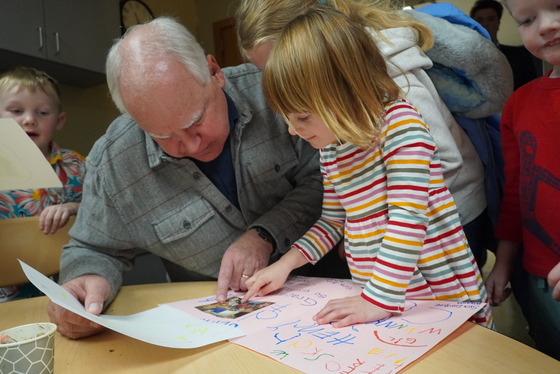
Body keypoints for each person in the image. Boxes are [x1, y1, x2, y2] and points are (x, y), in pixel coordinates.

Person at [46, 17, 323, 339]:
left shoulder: (274, 93)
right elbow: (93, 249)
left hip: (333, 291)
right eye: (164, 136)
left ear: (214, 72)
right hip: (217, 329)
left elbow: (327, 181)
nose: (192, 145)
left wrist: (265, 234)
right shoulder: (114, 163)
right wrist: (88, 281)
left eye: (197, 121)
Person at [242, 6, 493, 329]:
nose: (293, 130)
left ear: (345, 90)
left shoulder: (400, 125)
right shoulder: (331, 149)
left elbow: (408, 216)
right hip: (379, 297)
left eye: (302, 117)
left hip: (433, 294)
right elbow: (333, 222)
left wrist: (377, 299)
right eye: (287, 118)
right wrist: (285, 266)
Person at [485, 0, 560, 360]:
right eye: (528, 20)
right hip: (539, 278)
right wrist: (503, 263)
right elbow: (517, 193)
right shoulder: (518, 103)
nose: (546, 25)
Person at [0, 66, 85, 302]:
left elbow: (101, 209)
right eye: (16, 110)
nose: (29, 120)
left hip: (65, 287)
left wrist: (72, 208)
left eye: (43, 112)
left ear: (59, 120)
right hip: (5, 295)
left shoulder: (75, 164)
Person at [470, 0, 542, 90]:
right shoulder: (464, 57)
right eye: (480, 20)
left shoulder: (520, 55)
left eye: (491, 19)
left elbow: (531, 89)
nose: (485, 24)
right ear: (472, 25)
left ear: (498, 24)